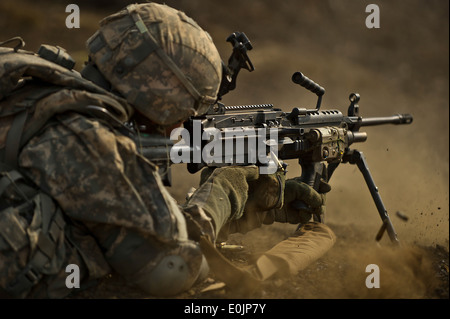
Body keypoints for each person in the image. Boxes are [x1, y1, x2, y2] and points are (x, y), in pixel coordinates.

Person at [0, 2, 335, 298]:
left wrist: (243, 211)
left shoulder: (37, 89)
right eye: (188, 110)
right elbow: (172, 266)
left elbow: (115, 206)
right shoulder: (90, 139)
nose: (185, 122)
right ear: (162, 93)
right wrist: (228, 189)